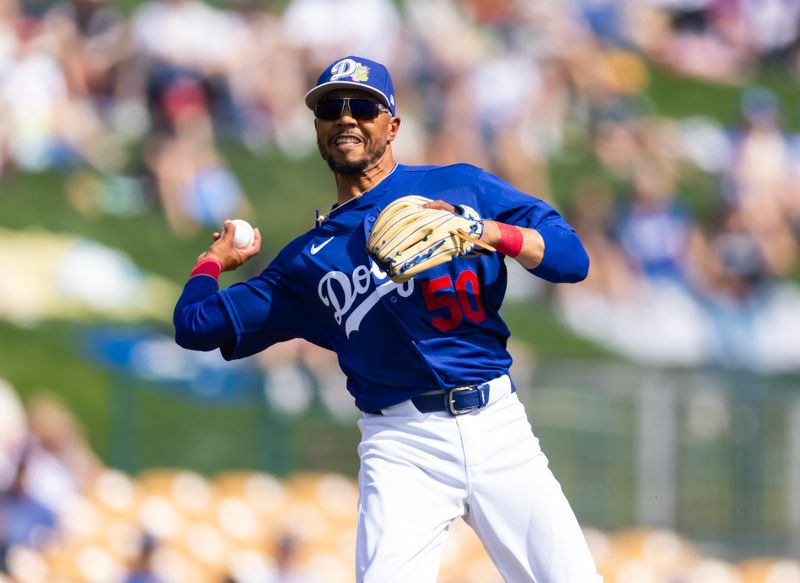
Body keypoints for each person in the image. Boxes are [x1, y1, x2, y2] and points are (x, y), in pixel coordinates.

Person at [174, 55, 601, 582]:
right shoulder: (308, 261)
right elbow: (193, 325)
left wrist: (488, 232)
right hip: (402, 444)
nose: (347, 118)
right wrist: (213, 262)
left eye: (364, 107)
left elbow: (572, 258)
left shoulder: (461, 188)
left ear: (392, 125)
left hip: (498, 425)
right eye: (332, 108)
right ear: (317, 129)